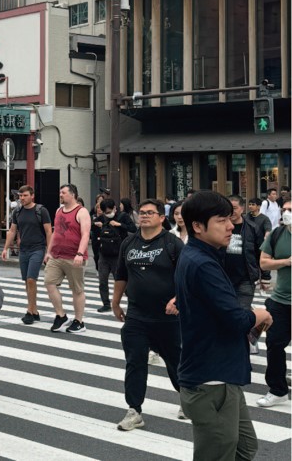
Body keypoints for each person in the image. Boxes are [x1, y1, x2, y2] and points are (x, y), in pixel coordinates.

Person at [176, 191, 272, 461]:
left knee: (244, 447)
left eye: (230, 219)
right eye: (221, 220)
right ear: (197, 226)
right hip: (211, 380)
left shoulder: (203, 256)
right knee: (218, 454)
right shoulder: (202, 263)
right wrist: (259, 314)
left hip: (221, 374)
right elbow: (235, 320)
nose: (231, 226)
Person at [111, 199, 186, 430]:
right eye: (141, 213)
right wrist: (115, 302)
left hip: (167, 317)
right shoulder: (129, 243)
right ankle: (134, 410)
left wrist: (178, 300)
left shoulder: (172, 244)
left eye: (150, 213)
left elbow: (187, 277)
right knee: (135, 362)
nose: (144, 216)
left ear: (161, 218)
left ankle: (188, 400)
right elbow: (121, 275)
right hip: (136, 315)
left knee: (176, 362)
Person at [256, 199, 291, 407]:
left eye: (290, 210)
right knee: (275, 344)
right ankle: (277, 389)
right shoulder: (277, 234)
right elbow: (264, 261)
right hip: (280, 301)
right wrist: (286, 262)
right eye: (285, 209)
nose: (286, 213)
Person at [1, 185, 51, 325]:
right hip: (23, 249)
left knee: (31, 279)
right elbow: (12, 230)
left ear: (32, 195)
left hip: (38, 248)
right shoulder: (17, 211)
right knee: (27, 281)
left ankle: (30, 311)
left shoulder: (41, 211)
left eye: (25, 196)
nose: (22, 198)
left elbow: (48, 231)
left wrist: (49, 251)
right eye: (20, 196)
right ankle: (34, 311)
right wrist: (5, 248)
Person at [44, 184, 91, 333]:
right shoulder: (58, 210)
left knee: (77, 289)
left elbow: (85, 234)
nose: (60, 195)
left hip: (73, 256)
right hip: (56, 255)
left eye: (63, 193)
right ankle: (61, 315)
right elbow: (55, 232)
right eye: (60, 192)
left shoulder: (81, 212)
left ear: (73, 195)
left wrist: (80, 253)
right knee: (49, 283)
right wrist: (49, 251)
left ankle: (79, 321)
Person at [227, 195, 262, 353]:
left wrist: (264, 276)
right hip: (223, 279)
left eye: (234, 208)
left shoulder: (252, 228)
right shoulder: (220, 226)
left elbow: (259, 253)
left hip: (246, 279)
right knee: (226, 314)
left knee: (242, 315)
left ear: (242, 208)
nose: (231, 211)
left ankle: (242, 349)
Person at [93, 198, 137, 313]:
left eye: (110, 211)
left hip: (118, 254)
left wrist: (119, 224)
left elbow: (133, 229)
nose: (108, 214)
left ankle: (133, 302)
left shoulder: (123, 216)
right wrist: (96, 225)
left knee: (121, 280)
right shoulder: (102, 218)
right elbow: (91, 227)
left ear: (115, 208)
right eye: (106, 212)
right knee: (102, 280)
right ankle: (106, 304)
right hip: (104, 253)